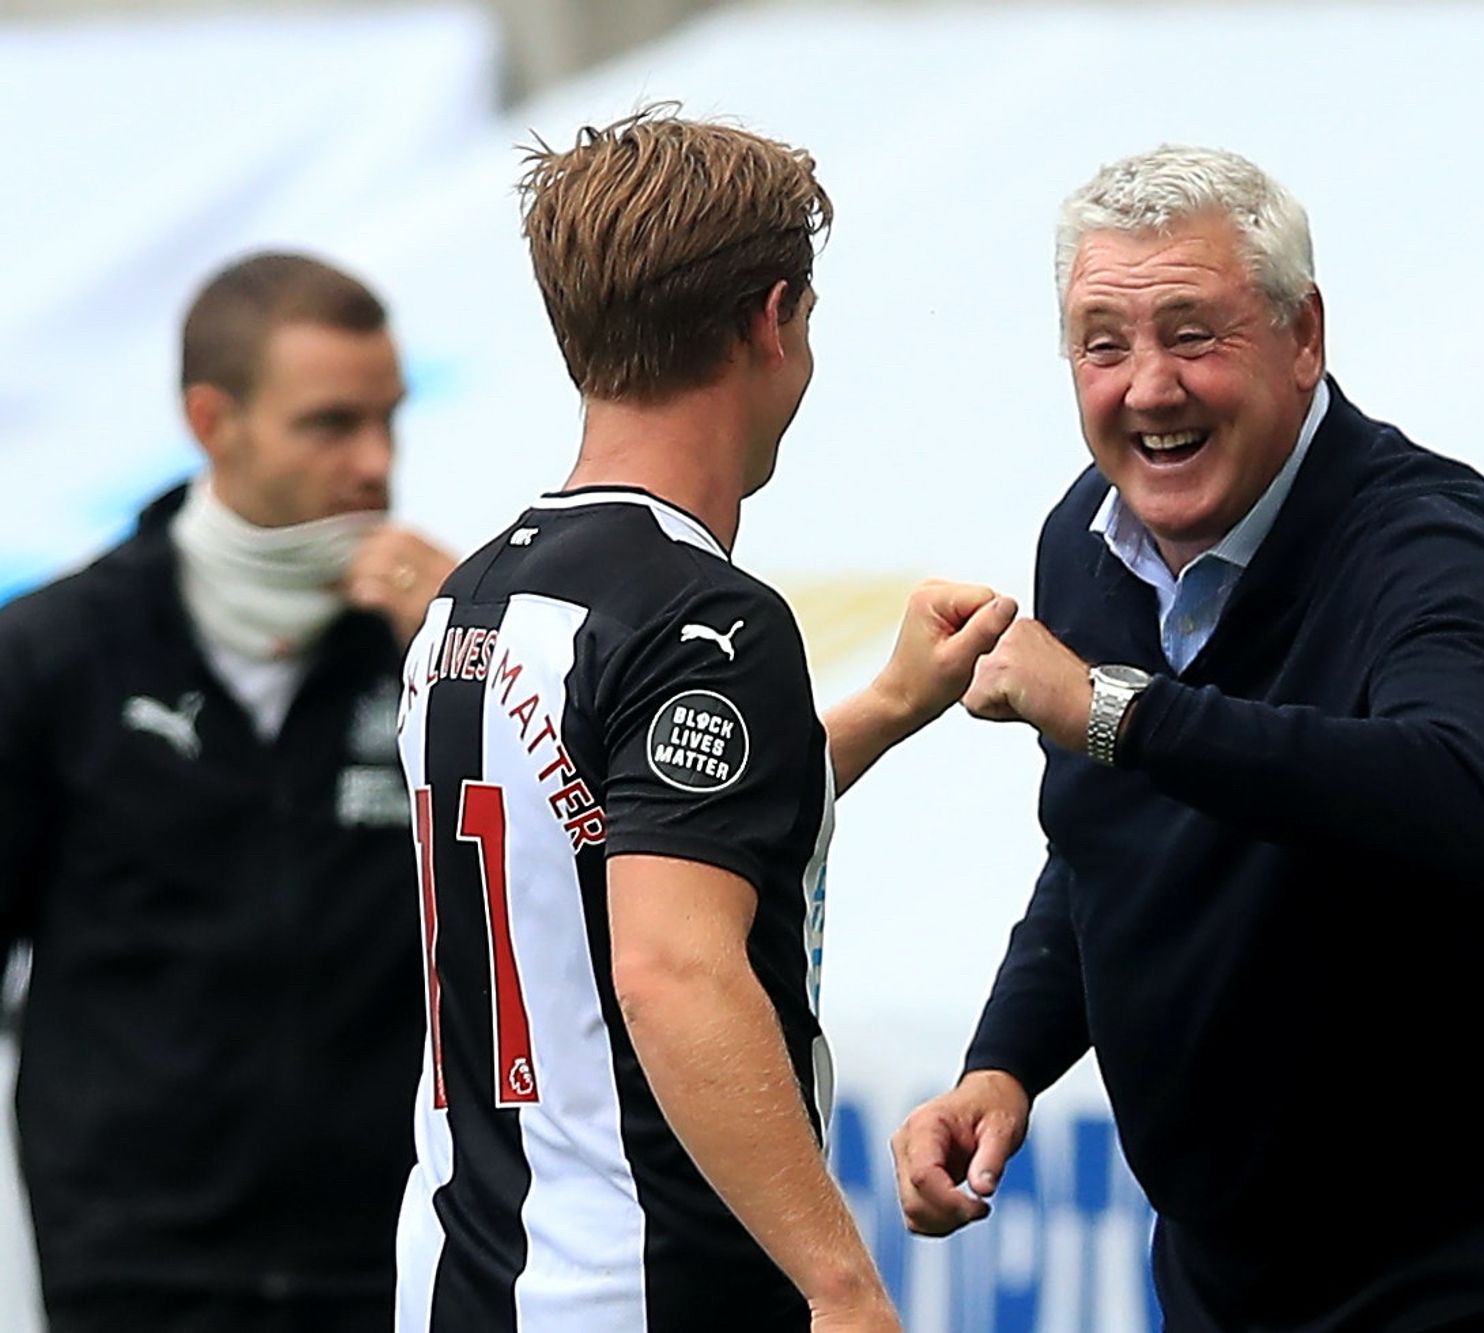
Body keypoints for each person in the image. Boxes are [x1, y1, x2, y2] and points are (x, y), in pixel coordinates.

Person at [891, 145, 1484, 1331]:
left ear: (1302, 336)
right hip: (1241, 1251)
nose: (1148, 387)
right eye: (1103, 344)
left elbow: (1451, 800)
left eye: (1192, 333)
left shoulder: (1430, 543)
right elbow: (1105, 848)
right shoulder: (1083, 541)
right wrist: (1000, 1065)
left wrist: (1117, 713)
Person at [392, 106, 1013, 1333]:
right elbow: (671, 962)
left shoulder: (475, 596)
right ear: (771, 320)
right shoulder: (703, 619)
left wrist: (884, 709)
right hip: (642, 1290)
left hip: (463, 1278)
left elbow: (621, 850)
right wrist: (839, 1283)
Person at [0, 252, 456, 1332]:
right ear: (214, 421)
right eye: (330, 423)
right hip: (132, 1275)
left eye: (389, 419)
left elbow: (556, 906)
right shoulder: (54, 654)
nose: (375, 464)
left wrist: (467, 657)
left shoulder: (437, 649)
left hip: (391, 1266)